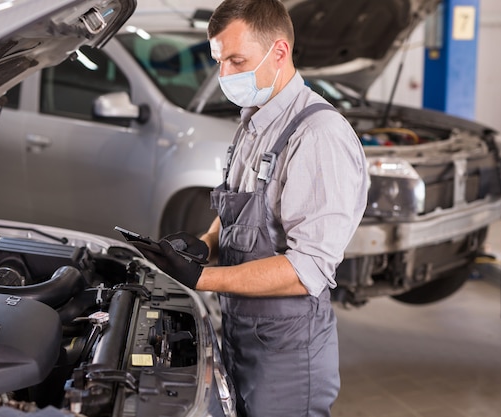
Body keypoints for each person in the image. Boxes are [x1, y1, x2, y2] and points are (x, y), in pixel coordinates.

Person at [133, 0, 369, 415]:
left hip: (287, 352)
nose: (225, 74)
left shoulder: (318, 136)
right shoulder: (252, 122)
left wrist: (203, 278)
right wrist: (204, 243)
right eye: (220, 60)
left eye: (237, 60)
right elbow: (241, 208)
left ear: (279, 51)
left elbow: (308, 268)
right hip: (242, 333)